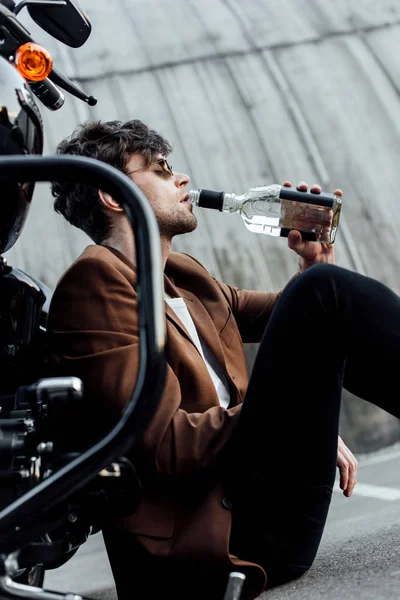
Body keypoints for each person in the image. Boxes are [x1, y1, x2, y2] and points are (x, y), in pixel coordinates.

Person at [47, 119, 398, 600]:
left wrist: (314, 265)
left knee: (322, 290)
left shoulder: (184, 276)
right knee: (323, 294)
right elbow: (163, 444)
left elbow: (306, 322)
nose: (182, 178)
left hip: (266, 505)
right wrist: (289, 419)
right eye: (160, 168)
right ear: (114, 195)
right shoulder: (95, 283)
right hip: (216, 542)